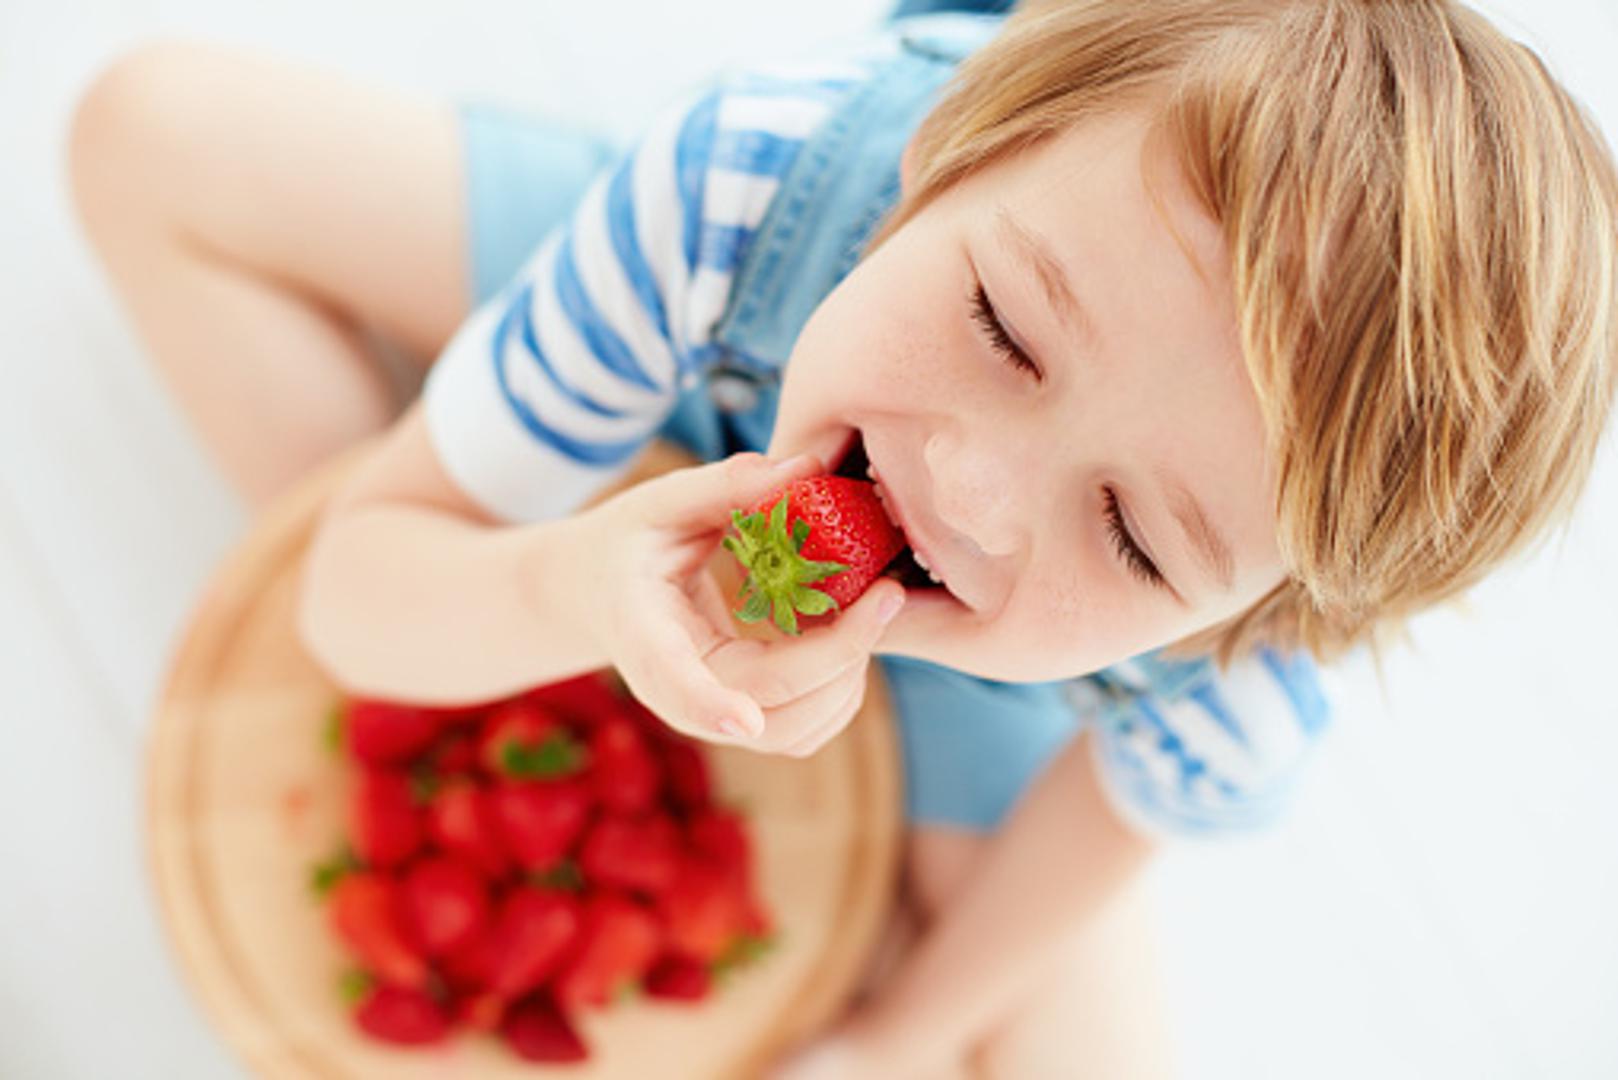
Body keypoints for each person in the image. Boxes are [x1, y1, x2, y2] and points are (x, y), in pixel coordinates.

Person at [67, 1, 1618, 1076]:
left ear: (1239, 612)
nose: (975, 494)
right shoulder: (753, 182)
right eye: (1004, 329)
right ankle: (496, 524)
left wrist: (895, 1035)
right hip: (733, 326)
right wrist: (566, 583)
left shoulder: (1250, 667)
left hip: (960, 678)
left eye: (1137, 540)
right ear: (949, 147)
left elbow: (1082, 856)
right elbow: (350, 602)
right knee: (154, 134)